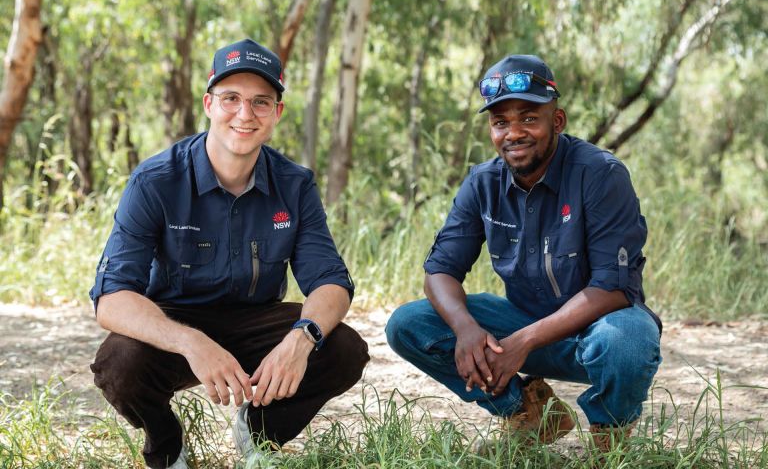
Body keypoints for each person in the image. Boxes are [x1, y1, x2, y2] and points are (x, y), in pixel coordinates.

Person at [89, 39, 369, 469]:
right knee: (117, 362)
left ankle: (258, 430)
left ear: (277, 113)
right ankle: (166, 446)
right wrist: (191, 341)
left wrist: (300, 338)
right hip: (174, 322)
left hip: (255, 321)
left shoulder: (294, 186)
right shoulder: (155, 181)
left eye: (261, 102)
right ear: (208, 104)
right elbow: (111, 299)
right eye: (231, 99)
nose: (244, 114)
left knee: (343, 347)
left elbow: (330, 281)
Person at [386, 54, 662, 451]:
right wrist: (466, 329)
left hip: (596, 331)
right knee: (409, 324)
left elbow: (613, 288)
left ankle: (610, 440)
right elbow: (440, 271)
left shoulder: (601, 174)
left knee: (630, 340)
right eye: (500, 122)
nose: (513, 132)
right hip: (522, 325)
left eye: (529, 118)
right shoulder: (482, 183)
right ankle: (527, 413)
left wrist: (522, 342)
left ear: (558, 121)